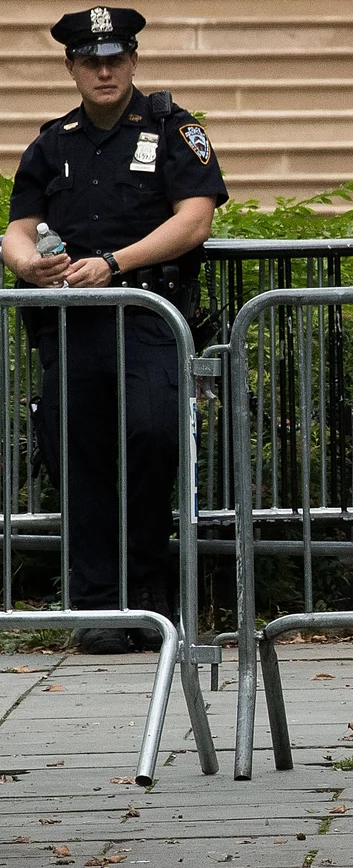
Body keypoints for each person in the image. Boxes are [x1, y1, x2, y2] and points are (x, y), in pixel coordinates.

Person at [1, 7, 226, 656]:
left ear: (132, 60)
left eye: (116, 58)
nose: (105, 70)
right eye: (90, 60)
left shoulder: (171, 129)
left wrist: (115, 265)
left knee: (152, 438)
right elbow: (20, 226)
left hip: (149, 318)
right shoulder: (53, 143)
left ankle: (150, 600)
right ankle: (100, 608)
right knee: (79, 455)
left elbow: (195, 220)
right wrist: (24, 261)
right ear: (71, 67)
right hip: (73, 326)